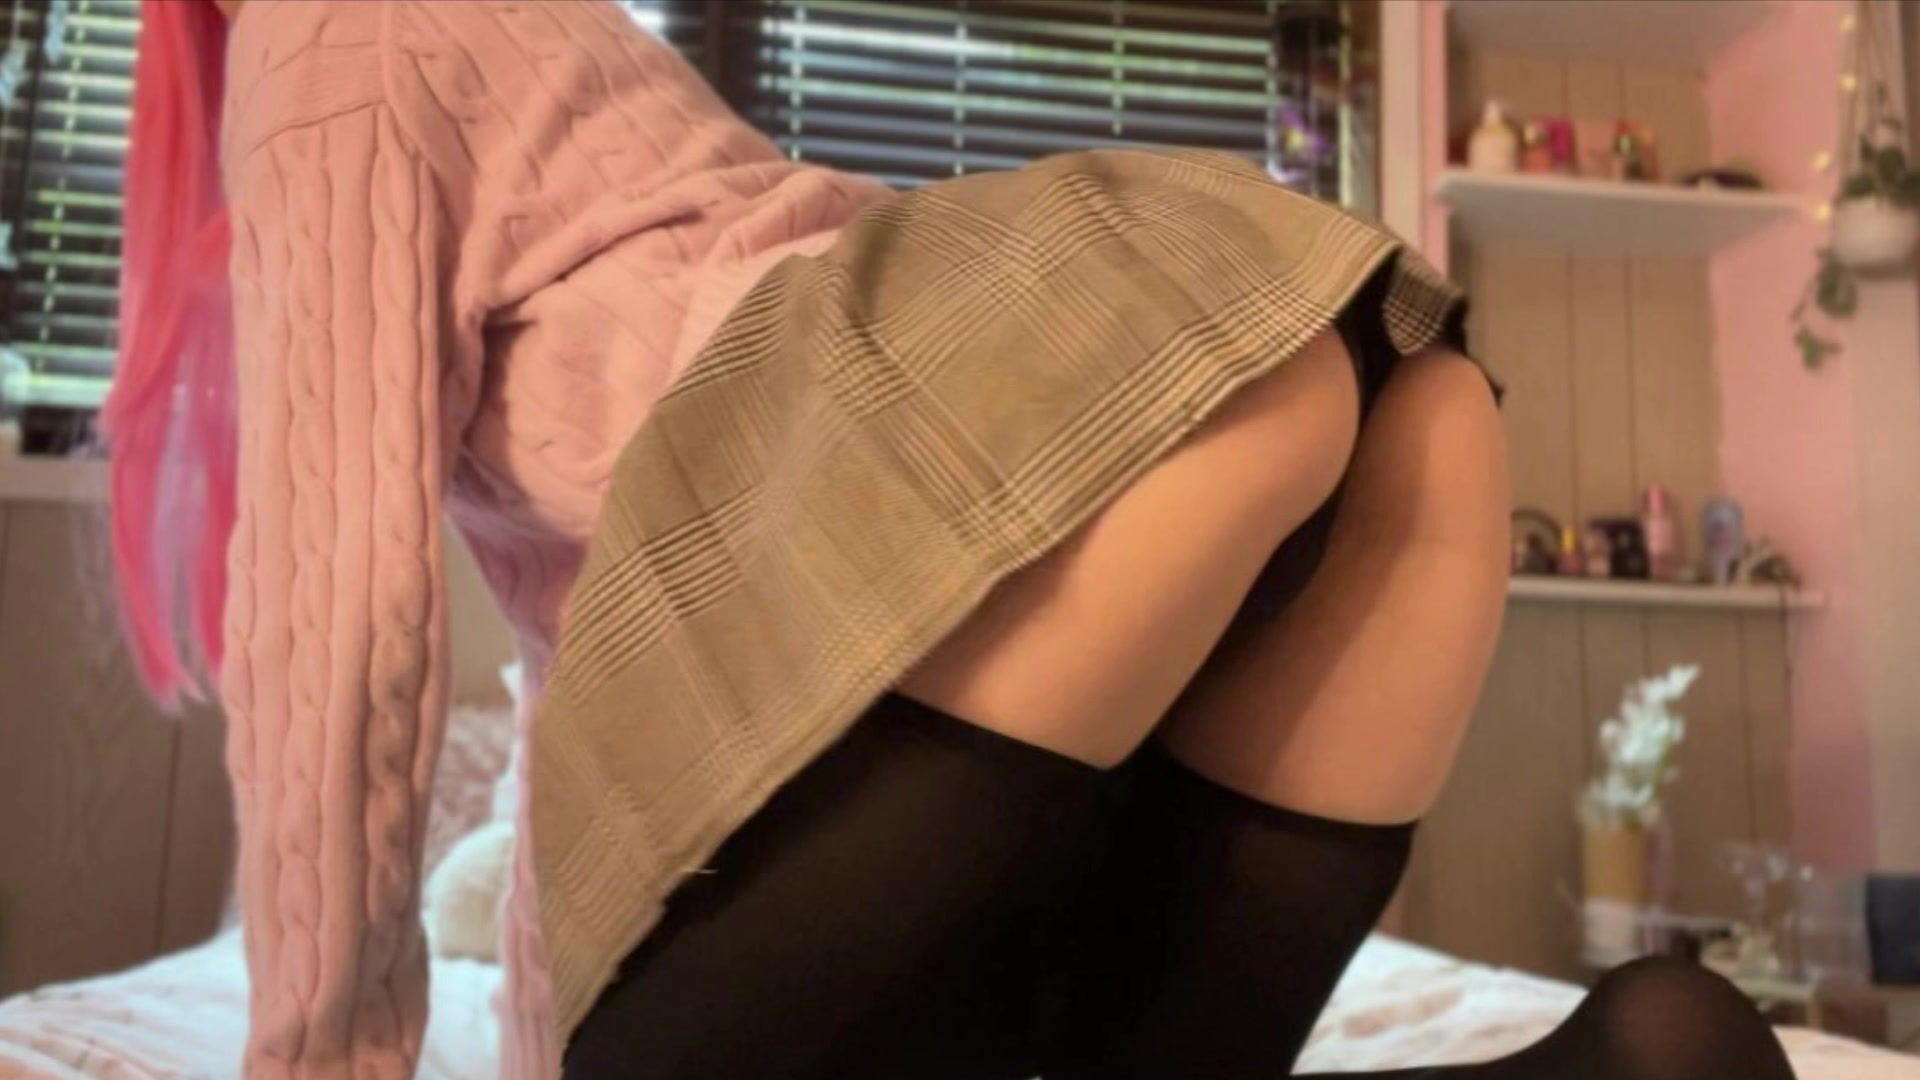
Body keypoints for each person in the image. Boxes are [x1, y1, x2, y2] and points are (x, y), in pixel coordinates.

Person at [107, 1, 1796, 1078]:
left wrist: (320, 1063)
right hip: (1314, 392)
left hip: (992, 454)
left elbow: (335, 615)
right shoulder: (563, 55)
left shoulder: (319, 43)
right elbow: (586, 656)